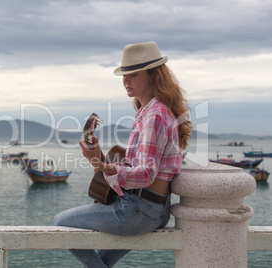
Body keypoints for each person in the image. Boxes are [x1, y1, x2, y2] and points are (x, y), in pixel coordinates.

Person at [53, 41, 192, 267]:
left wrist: (103, 166)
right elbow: (142, 168)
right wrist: (98, 159)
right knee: (103, 261)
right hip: (156, 209)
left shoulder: (154, 115)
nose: (126, 80)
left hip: (138, 211)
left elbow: (146, 173)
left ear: (153, 75)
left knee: (60, 223)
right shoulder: (151, 111)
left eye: (133, 74)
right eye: (124, 75)